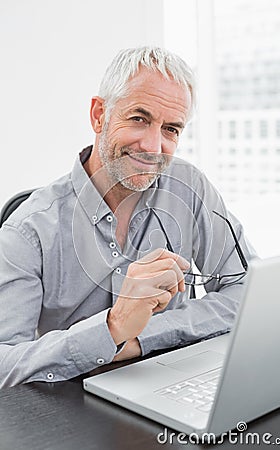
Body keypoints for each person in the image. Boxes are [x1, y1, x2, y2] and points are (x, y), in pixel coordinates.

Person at [0, 46, 256, 388]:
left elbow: (248, 291)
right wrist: (113, 328)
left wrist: (139, 338)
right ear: (99, 115)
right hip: (74, 406)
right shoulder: (27, 230)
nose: (153, 146)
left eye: (171, 129)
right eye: (139, 118)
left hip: (173, 384)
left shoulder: (188, 187)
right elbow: (5, 363)